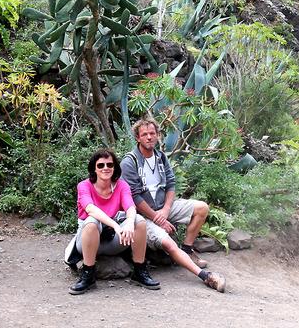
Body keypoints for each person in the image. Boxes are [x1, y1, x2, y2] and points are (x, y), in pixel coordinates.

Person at [121, 117, 226, 293]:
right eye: (144, 134)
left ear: (158, 135)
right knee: (169, 244)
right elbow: (134, 197)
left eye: (152, 133)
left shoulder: (161, 157)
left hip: (163, 207)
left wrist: (166, 210)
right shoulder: (129, 162)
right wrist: (157, 218)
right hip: (143, 215)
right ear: (138, 138)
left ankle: (187, 249)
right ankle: (205, 276)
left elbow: (171, 184)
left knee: (202, 208)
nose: (149, 137)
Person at [68, 149, 160, 295]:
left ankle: (139, 271)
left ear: (115, 167)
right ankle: (88, 274)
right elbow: (91, 209)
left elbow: (130, 206)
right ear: (94, 168)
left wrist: (129, 222)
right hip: (87, 242)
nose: (106, 168)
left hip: (113, 241)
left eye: (110, 165)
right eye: (101, 165)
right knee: (92, 221)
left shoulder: (121, 185)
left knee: (139, 221)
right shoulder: (84, 186)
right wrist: (116, 225)